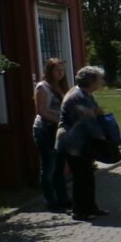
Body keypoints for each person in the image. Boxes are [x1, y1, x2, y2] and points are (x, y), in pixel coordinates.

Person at [56, 66, 109, 222]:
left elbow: (96, 112)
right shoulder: (79, 96)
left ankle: (91, 207)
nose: (101, 82)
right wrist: (103, 138)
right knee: (81, 177)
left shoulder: (85, 94)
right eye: (99, 79)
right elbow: (89, 120)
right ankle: (79, 211)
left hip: (81, 143)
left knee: (88, 176)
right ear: (91, 81)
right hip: (72, 143)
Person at [32, 58, 70, 210]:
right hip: (45, 130)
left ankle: (63, 198)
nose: (60, 74)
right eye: (57, 70)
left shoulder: (62, 86)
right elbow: (42, 111)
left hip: (59, 131)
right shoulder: (42, 87)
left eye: (62, 70)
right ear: (49, 71)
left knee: (60, 167)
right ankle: (50, 200)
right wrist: (58, 121)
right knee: (48, 167)